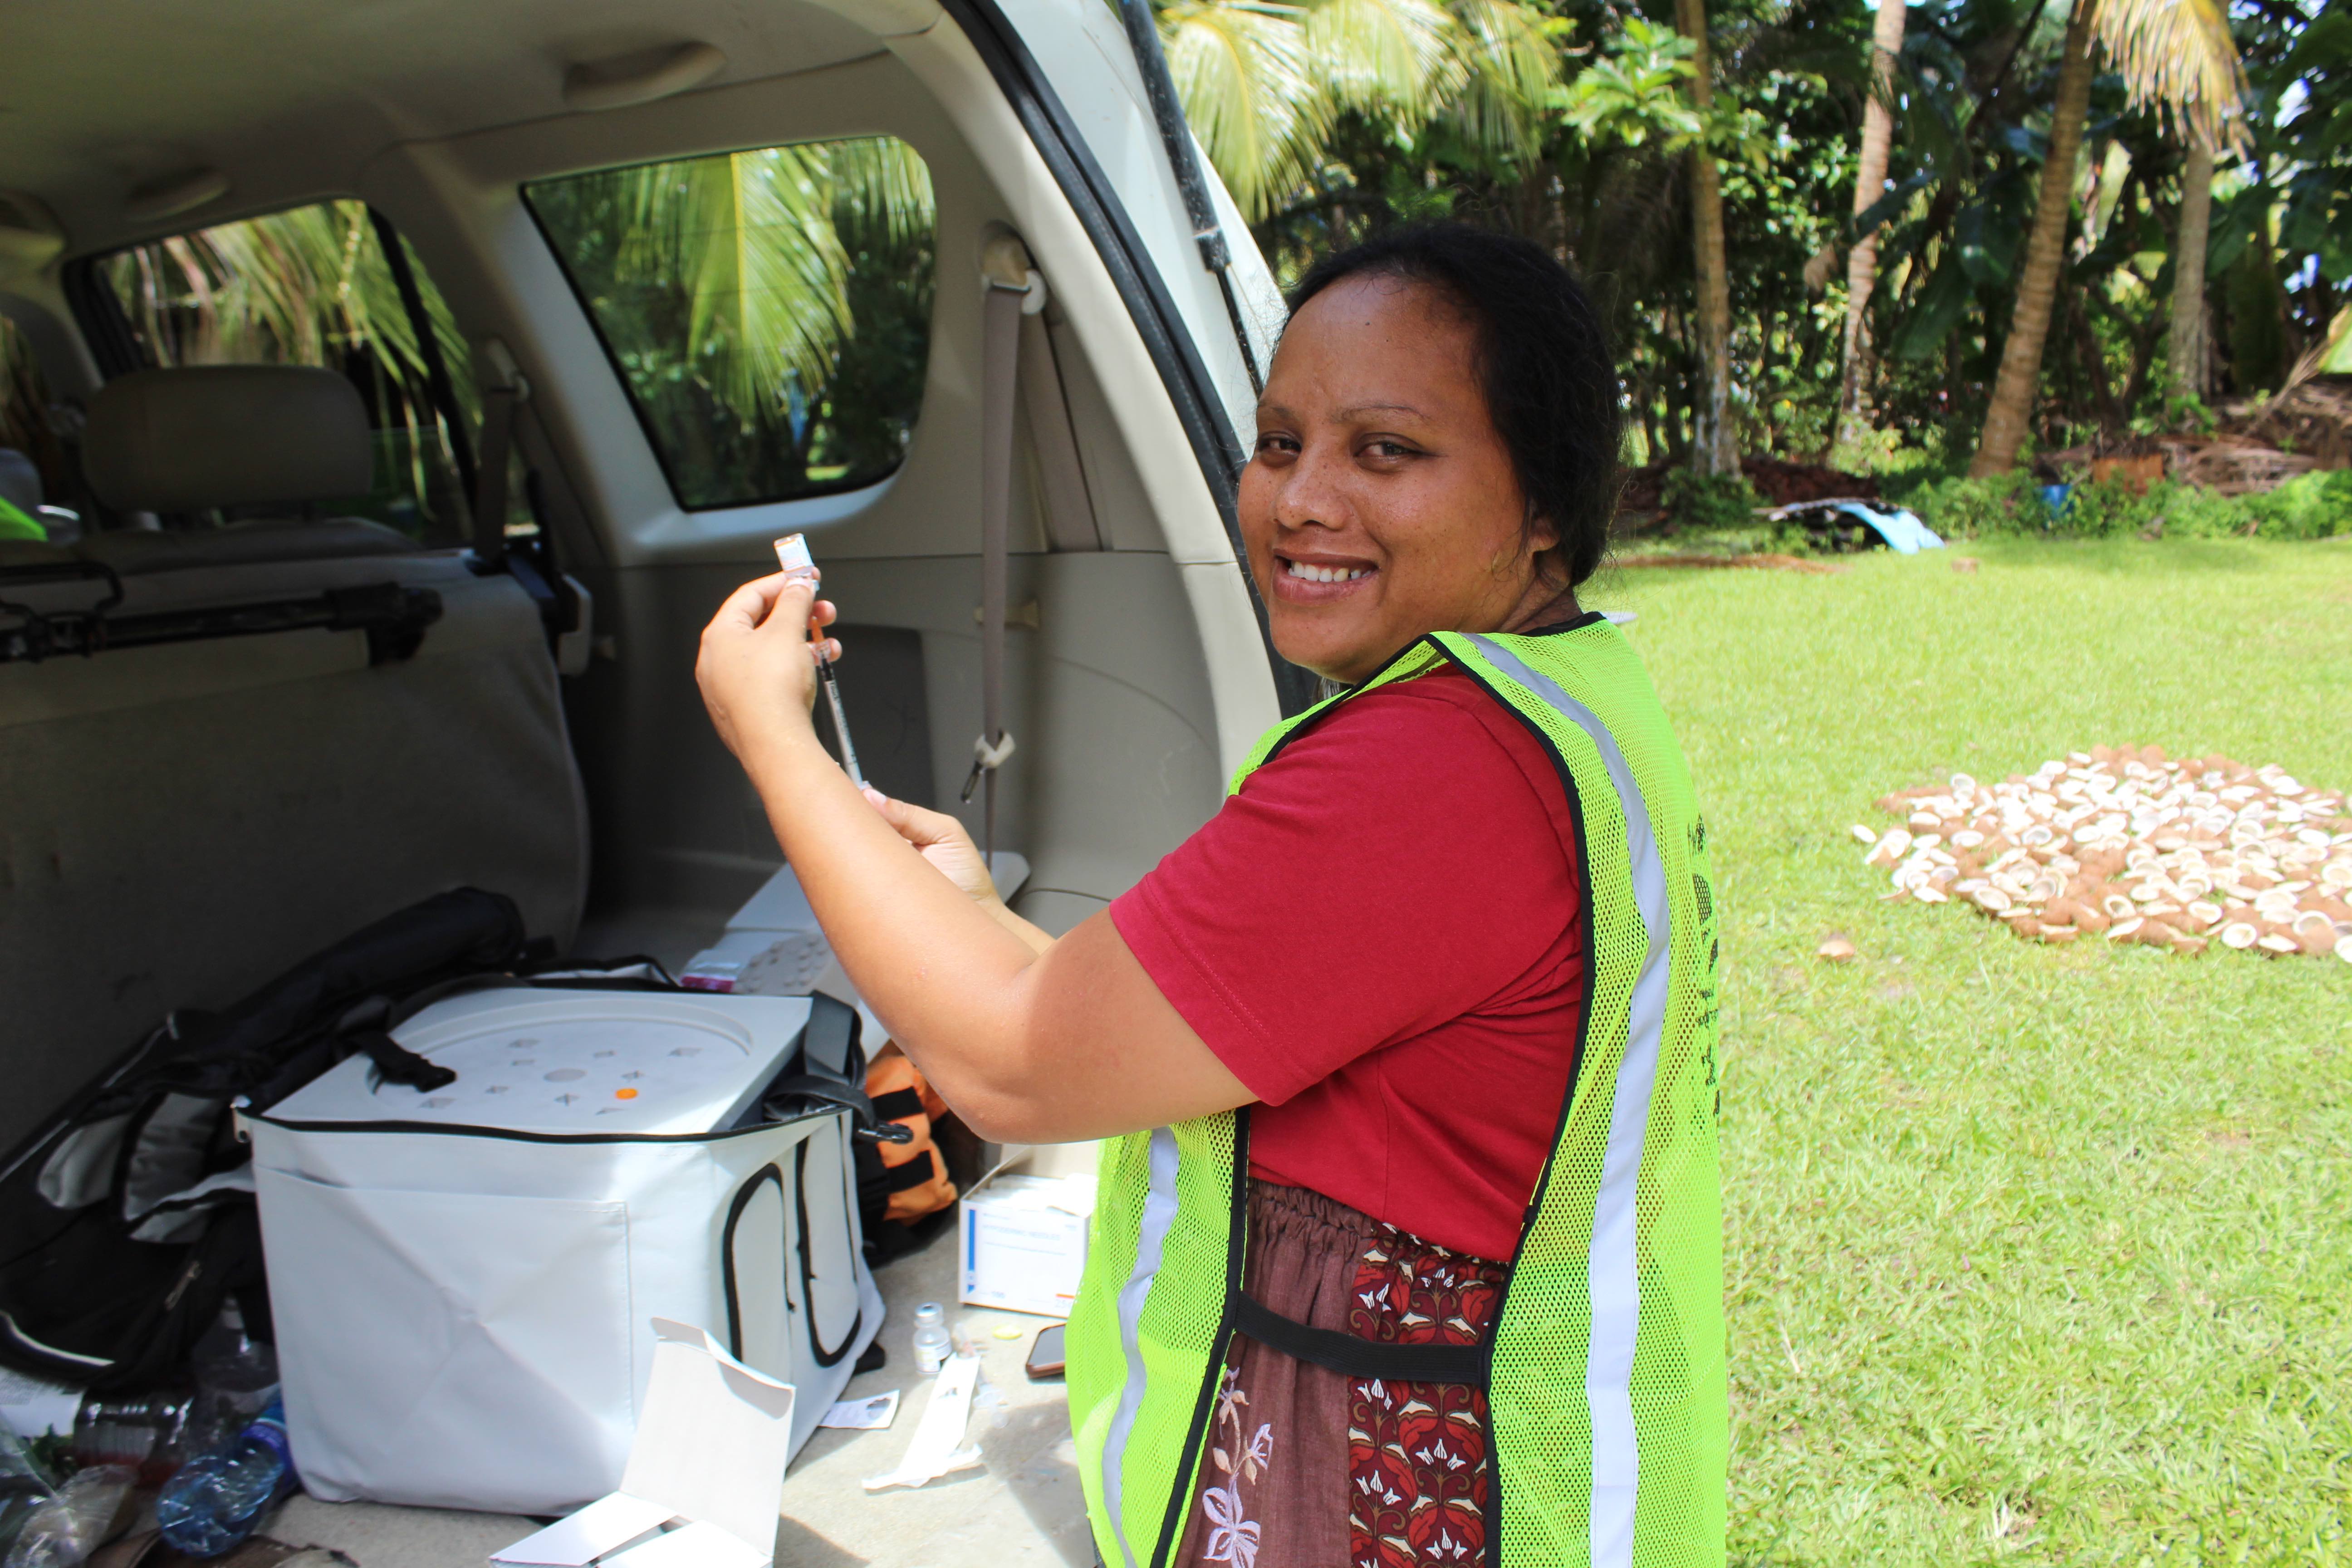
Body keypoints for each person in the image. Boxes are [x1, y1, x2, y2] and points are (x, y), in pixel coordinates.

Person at [696, 223, 1725, 1568]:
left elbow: (1011, 1068)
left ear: (1543, 505)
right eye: (1281, 442)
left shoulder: (1428, 765)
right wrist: (978, 916)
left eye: (1386, 451)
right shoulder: (1562, 705)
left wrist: (775, 746)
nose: (1301, 501)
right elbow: (1232, 1029)